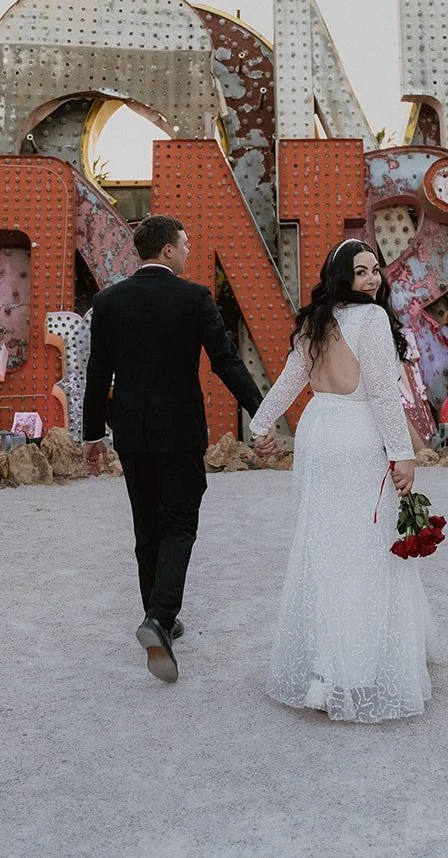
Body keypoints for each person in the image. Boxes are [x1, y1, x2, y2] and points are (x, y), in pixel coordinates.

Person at [249, 238, 432, 723]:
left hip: (318, 432)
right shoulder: (371, 320)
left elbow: (290, 380)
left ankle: (321, 669)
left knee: (322, 545)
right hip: (356, 436)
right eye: (361, 271)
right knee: (363, 547)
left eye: (375, 269)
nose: (371, 279)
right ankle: (351, 667)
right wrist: (402, 455)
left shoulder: (316, 320)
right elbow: (384, 395)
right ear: (342, 276)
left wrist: (261, 425)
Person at [83, 215, 265, 683]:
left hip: (132, 432)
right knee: (180, 523)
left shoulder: (108, 301)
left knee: (147, 526)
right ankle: (160, 618)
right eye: (184, 244)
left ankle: (158, 615)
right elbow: (225, 361)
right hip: (180, 431)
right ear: (166, 250)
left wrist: (92, 435)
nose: (188, 251)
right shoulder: (195, 298)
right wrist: (260, 413)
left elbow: (98, 372)